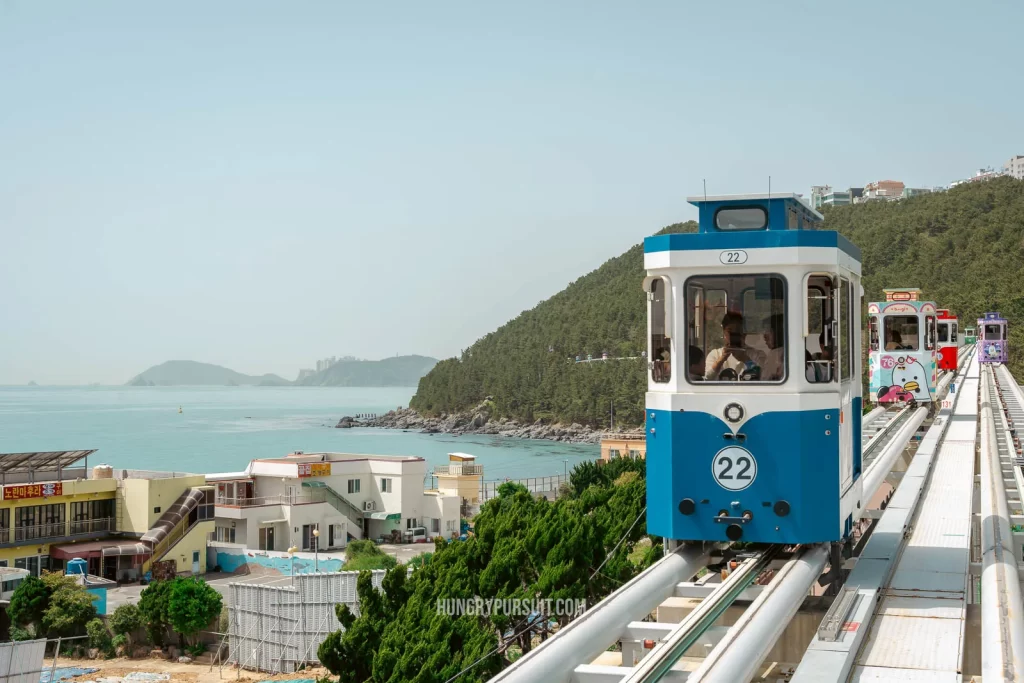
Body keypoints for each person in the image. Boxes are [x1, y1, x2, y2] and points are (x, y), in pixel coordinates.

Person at [704, 312, 756, 380]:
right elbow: (707, 378)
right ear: (723, 332)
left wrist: (745, 359)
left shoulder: (756, 354)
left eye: (737, 331)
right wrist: (721, 360)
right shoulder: (715, 355)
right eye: (729, 331)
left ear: (744, 334)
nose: (733, 335)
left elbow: (762, 376)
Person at [760, 314, 785, 380]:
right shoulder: (798, 352)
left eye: (768, 331)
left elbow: (764, 381)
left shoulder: (775, 354)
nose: (764, 336)